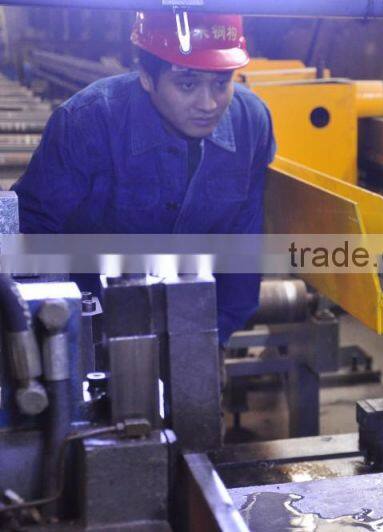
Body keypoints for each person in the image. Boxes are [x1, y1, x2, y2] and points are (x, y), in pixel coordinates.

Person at [12, 11, 275, 344]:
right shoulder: (87, 121)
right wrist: (56, 336)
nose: (209, 104)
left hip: (194, 319)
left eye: (221, 83)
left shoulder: (250, 123)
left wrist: (217, 335)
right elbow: (33, 232)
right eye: (188, 84)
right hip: (90, 320)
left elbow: (243, 238)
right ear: (147, 78)